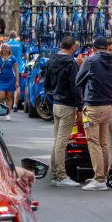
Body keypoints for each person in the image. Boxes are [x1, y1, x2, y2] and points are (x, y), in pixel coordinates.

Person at [75, 37, 112, 191]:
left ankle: (99, 178)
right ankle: (104, 176)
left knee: (93, 142)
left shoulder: (90, 61)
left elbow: (78, 80)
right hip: (107, 105)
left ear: (94, 48)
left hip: (92, 105)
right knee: (104, 143)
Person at [44, 36, 82, 187]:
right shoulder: (71, 63)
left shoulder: (51, 60)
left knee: (57, 141)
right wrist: (79, 106)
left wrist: (52, 94)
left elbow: (46, 83)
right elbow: (75, 86)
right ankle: (61, 175)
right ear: (72, 47)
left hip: (56, 103)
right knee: (62, 142)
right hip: (67, 105)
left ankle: (55, 174)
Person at [0, 43, 19, 120]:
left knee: (9, 97)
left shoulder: (13, 58)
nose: (4, 50)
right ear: (0, 49)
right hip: (1, 80)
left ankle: (8, 114)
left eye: (6, 48)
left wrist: (17, 81)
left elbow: (16, 71)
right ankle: (3, 110)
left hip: (10, 79)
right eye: (3, 48)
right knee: (1, 97)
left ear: (9, 49)